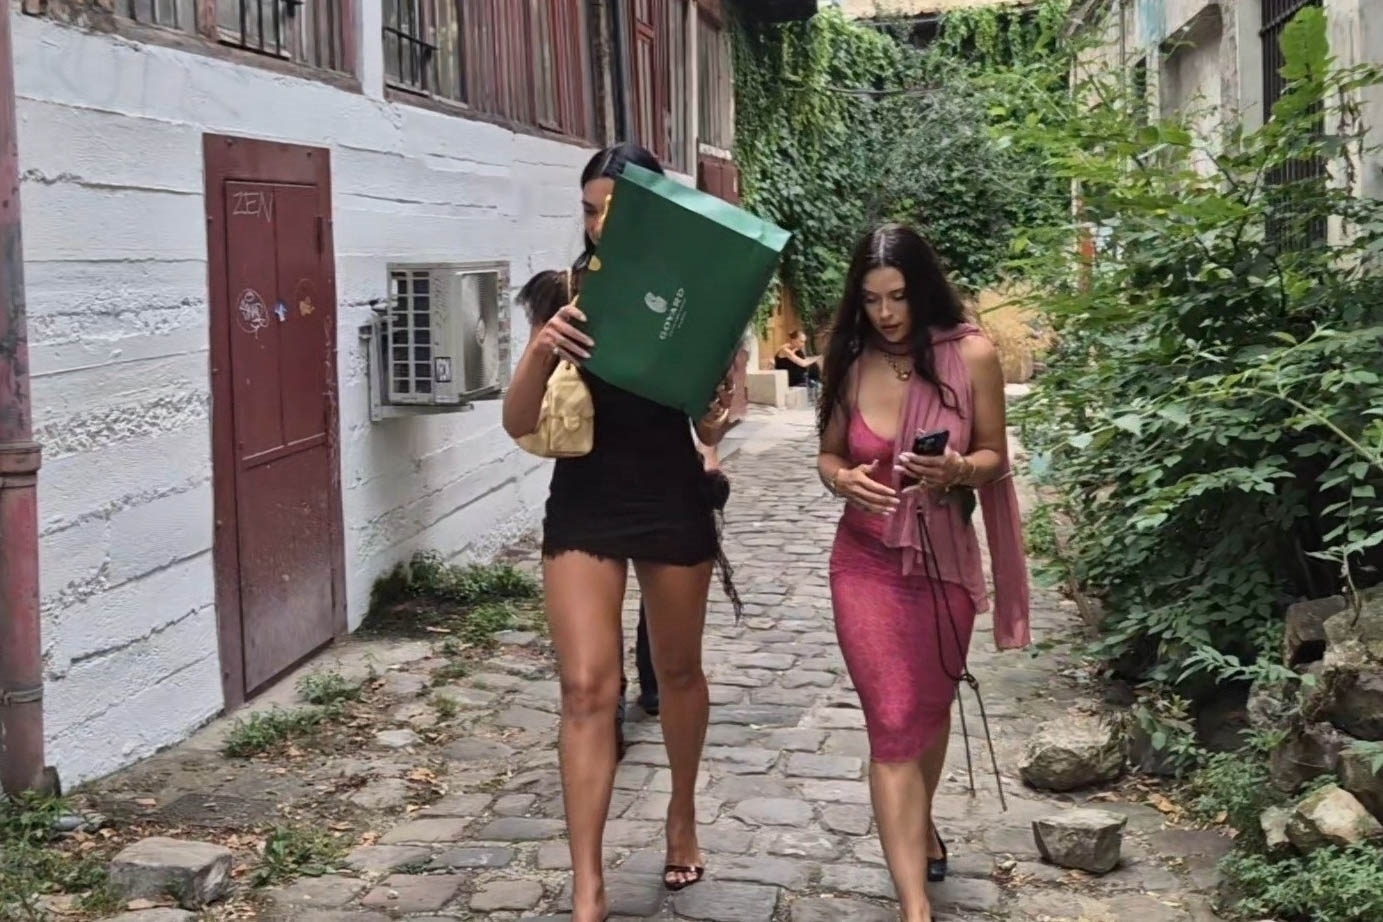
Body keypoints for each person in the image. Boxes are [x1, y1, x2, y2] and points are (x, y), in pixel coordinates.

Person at [503, 142, 734, 921]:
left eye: (614, 211)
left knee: (677, 673)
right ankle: (587, 886)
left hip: (671, 495)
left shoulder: (694, 297)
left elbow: (708, 425)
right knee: (585, 688)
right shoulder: (565, 294)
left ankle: (682, 815)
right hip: (586, 501)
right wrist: (543, 347)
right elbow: (517, 423)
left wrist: (715, 417)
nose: (599, 225)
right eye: (589, 211)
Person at [816, 224, 1030, 922]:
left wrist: (959, 468)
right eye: (871, 299)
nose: (885, 313)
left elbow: (995, 455)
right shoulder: (848, 357)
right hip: (864, 562)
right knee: (891, 724)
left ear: (923, 289)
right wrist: (843, 479)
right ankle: (915, 907)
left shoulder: (970, 355)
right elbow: (827, 455)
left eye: (899, 296)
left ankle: (919, 823)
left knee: (928, 713)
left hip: (942, 563)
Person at [775, 330, 822, 394]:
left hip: (801, 379)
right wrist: (818, 358)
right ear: (793, 340)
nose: (803, 344)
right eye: (801, 341)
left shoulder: (797, 350)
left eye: (804, 342)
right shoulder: (785, 350)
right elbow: (803, 363)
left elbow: (804, 362)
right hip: (791, 382)